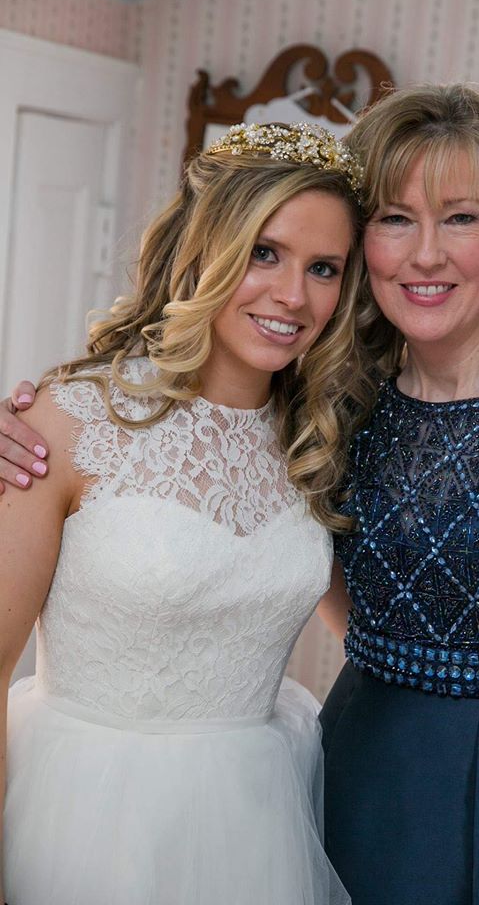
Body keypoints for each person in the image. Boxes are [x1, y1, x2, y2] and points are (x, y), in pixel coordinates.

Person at [4, 86, 479, 905]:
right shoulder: (342, 405)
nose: (426, 255)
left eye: (461, 217)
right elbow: (357, 604)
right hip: (326, 786)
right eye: (396, 219)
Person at [0, 120, 371, 905]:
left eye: (325, 268)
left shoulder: (317, 443)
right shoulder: (63, 424)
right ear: (202, 249)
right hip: (79, 821)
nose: (293, 296)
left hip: (256, 827)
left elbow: (369, 630)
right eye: (264, 252)